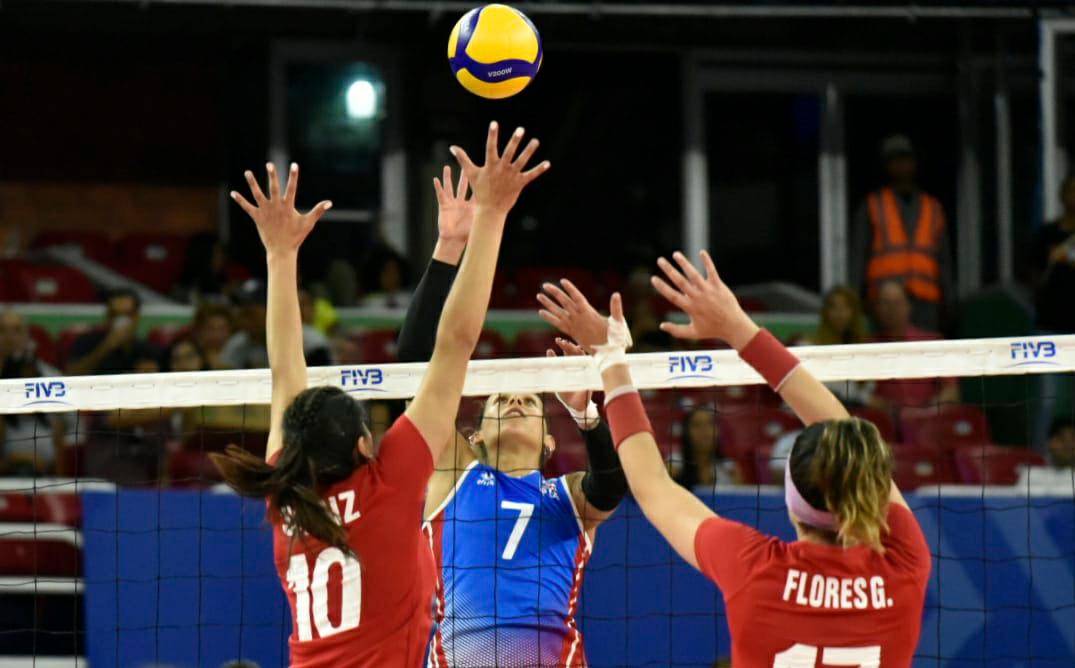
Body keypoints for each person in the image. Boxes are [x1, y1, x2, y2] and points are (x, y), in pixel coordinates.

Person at [211, 123, 550, 667]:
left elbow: (285, 374)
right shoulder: (376, 486)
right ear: (367, 447)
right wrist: (491, 215)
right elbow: (453, 340)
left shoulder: (288, 492)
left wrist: (278, 255)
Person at [539, 249, 930, 667]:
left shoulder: (756, 568)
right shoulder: (904, 562)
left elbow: (651, 487)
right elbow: (846, 437)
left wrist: (611, 358)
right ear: (864, 484)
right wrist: (738, 330)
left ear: (793, 500)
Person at [398, 161, 624, 667]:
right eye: (499, 399)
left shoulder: (565, 496)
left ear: (550, 442)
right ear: (474, 435)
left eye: (529, 399)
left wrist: (588, 416)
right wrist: (449, 249)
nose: (516, 399)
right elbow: (417, 372)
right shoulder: (452, 476)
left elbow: (610, 487)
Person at [850, 134, 953, 332]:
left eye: (906, 160)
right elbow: (858, 258)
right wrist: (856, 301)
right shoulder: (873, 205)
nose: (902, 166)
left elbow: (944, 260)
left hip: (926, 302)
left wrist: (949, 301)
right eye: (895, 161)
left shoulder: (933, 207)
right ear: (886, 166)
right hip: (884, 301)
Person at [867, 280, 959, 411]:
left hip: (929, 422)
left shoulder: (932, 343)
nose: (891, 310)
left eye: (897, 303)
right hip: (884, 423)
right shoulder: (867, 347)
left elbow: (951, 390)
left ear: (908, 305)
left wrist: (927, 412)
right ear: (876, 308)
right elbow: (860, 394)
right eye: (885, 303)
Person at [0, 310, 67, 475]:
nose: (9, 338)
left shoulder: (51, 378)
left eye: (16, 330)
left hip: (46, 471)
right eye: (2, 330)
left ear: (28, 336)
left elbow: (64, 430)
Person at [220, 279, 334, 369]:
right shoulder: (238, 344)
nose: (243, 318)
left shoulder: (311, 343)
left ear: (272, 310)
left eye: (249, 313)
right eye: (241, 312)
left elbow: (322, 386)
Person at [804, 286, 874, 406]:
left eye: (846, 307)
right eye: (834, 307)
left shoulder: (864, 351)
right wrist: (863, 399)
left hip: (855, 415)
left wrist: (864, 399)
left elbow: (867, 390)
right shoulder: (809, 348)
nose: (840, 313)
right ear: (825, 312)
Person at [66, 288, 157, 375]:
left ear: (136, 317)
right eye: (115, 314)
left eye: (127, 314)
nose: (121, 320)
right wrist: (106, 346)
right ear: (108, 316)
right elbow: (72, 375)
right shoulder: (86, 341)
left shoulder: (147, 350)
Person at [672, 407, 739, 489]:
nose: (704, 430)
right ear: (686, 432)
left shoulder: (730, 469)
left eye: (710, 424)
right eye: (697, 425)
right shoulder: (674, 466)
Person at [190, 303, 234, 370]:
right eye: (210, 328)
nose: (217, 334)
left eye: (222, 328)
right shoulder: (187, 355)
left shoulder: (239, 355)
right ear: (199, 330)